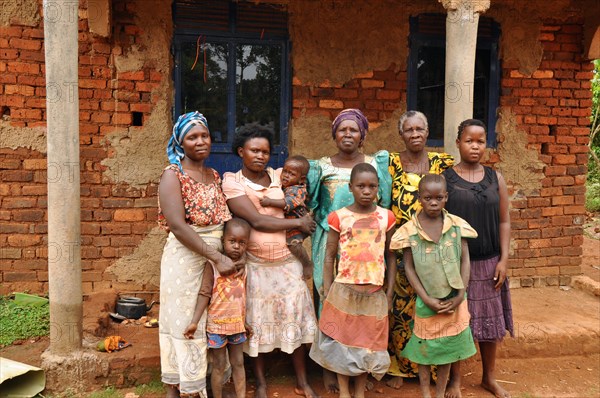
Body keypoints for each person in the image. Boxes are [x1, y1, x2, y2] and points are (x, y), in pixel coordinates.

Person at [222, 127, 318, 398]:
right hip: (256, 265)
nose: (261, 156)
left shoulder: (280, 175)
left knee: (294, 318)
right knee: (257, 323)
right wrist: (298, 222)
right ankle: (262, 383)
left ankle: (302, 380)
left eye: (265, 151)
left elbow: (301, 196)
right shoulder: (233, 182)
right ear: (241, 152)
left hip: (288, 263)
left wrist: (300, 215)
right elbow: (256, 220)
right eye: (254, 150)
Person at [157, 111, 238, 398]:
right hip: (184, 259)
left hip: (215, 258)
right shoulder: (172, 175)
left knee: (210, 321)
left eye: (204, 135)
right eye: (192, 137)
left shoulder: (213, 175)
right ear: (181, 142)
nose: (200, 141)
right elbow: (178, 226)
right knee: (183, 321)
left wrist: (224, 254)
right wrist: (216, 258)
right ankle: (178, 387)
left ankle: (205, 383)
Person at [309, 163, 396, 398]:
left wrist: (389, 293)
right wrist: (327, 291)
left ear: (378, 188)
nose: (366, 191)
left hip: (374, 292)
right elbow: (328, 257)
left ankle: (359, 390)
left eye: (372, 186)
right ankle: (345, 391)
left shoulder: (386, 217)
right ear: (350, 187)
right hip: (344, 290)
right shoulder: (339, 217)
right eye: (361, 186)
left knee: (368, 343)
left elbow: (391, 255)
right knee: (342, 342)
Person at [442, 119, 514, 398]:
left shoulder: (495, 178)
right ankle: (455, 380)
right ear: (458, 142)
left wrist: (504, 260)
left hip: (489, 261)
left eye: (480, 141)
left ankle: (489, 377)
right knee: (458, 322)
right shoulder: (446, 179)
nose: (475, 146)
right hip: (457, 263)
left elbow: (504, 221)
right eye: (469, 141)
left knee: (491, 324)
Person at [390, 174, 478, 398]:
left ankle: (439, 393)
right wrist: (426, 299)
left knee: (446, 349)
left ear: (446, 197)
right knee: (425, 349)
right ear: (419, 198)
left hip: (454, 299)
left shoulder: (457, 226)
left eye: (439, 198)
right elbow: (408, 267)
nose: (434, 203)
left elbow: (465, 259)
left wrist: (461, 294)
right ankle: (425, 393)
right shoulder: (409, 231)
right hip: (426, 301)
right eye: (428, 198)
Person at [387, 110, 454, 389]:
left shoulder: (442, 162)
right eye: (408, 130)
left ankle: (437, 370)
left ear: (427, 133)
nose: (414, 134)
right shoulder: (390, 164)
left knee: (434, 309)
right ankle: (403, 368)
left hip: (436, 252)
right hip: (402, 249)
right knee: (403, 311)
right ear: (401, 134)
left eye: (419, 129)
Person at [183, 217, 252, 398]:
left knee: (238, 363)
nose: (236, 246)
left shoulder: (244, 269)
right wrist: (194, 322)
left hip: (237, 326)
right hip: (216, 327)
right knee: (219, 365)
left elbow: (244, 298)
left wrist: (246, 321)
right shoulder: (212, 266)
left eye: (242, 243)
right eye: (232, 241)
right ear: (223, 241)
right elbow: (204, 294)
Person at [259, 155, 313, 279]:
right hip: (290, 223)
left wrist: (270, 202)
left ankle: (307, 264)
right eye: (285, 171)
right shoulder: (287, 184)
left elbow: (287, 203)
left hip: (297, 223)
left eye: (291, 174)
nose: (286, 176)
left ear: (301, 179)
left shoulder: (297, 190)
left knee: (293, 245)